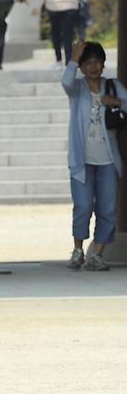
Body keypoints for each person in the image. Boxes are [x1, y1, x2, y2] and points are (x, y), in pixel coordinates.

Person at [63, 41, 125, 271]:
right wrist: (72, 58)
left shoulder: (113, 86)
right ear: (81, 67)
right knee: (82, 206)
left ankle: (98, 254)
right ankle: (78, 250)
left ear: (103, 64)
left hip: (108, 160)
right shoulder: (77, 88)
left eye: (97, 62)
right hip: (81, 160)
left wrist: (117, 102)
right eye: (87, 62)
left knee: (107, 208)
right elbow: (65, 82)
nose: (93, 66)